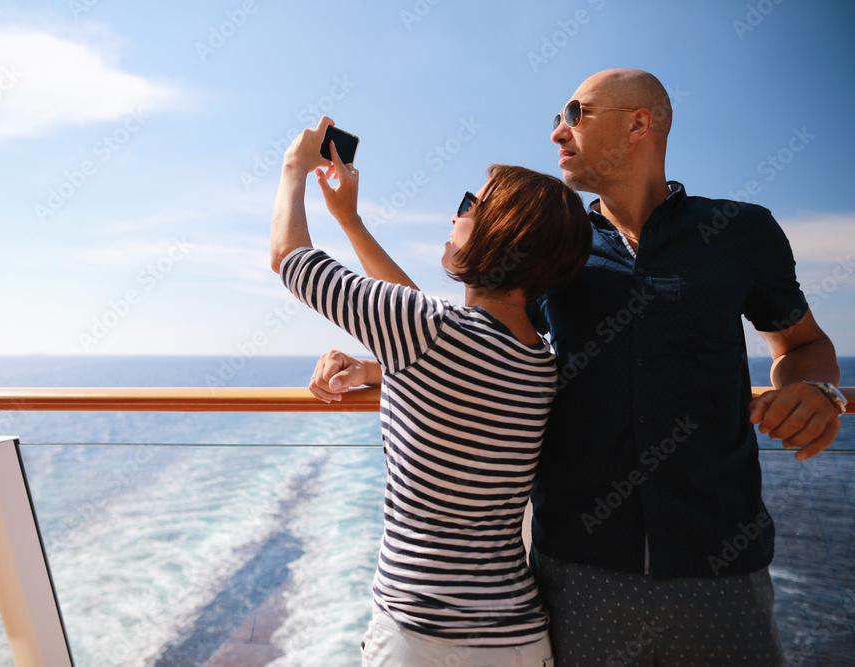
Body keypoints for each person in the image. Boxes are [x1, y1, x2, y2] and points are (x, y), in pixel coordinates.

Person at [308, 69, 845, 666]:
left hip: (720, 568)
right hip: (579, 576)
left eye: (574, 113)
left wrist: (821, 390)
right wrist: (383, 365)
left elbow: (803, 347)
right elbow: (461, 346)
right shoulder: (557, 249)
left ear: (639, 123)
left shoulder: (742, 233)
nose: (557, 132)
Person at [271, 115, 591, 666]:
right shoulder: (541, 361)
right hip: (519, 636)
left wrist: (292, 168)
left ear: (502, 234)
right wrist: (351, 224)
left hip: (422, 637)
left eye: (470, 204)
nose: (455, 214)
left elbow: (290, 260)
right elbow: (429, 335)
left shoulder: (428, 333)